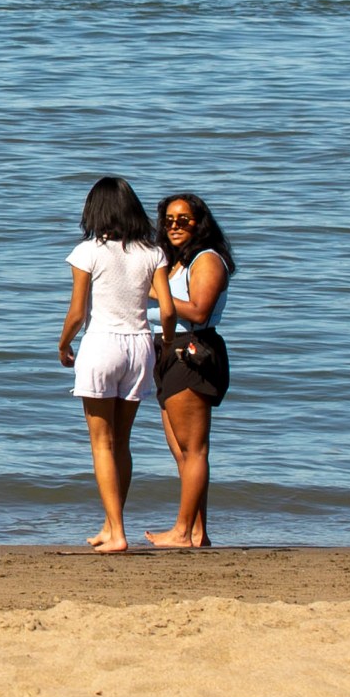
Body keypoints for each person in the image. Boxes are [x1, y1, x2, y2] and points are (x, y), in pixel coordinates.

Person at [60, 177, 166, 551]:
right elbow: (165, 309)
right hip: (140, 345)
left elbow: (77, 312)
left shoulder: (87, 251)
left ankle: (117, 533)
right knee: (122, 442)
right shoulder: (152, 253)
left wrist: (62, 344)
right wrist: (165, 341)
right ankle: (111, 524)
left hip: (102, 344)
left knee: (101, 443)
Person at [145, 192, 234, 550]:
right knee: (181, 452)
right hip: (165, 350)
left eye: (184, 219)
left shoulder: (207, 259)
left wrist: (155, 292)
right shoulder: (174, 262)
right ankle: (197, 533)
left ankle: (182, 532)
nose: (174, 226)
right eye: (168, 220)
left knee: (193, 450)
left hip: (191, 351)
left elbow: (199, 310)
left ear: (200, 222)